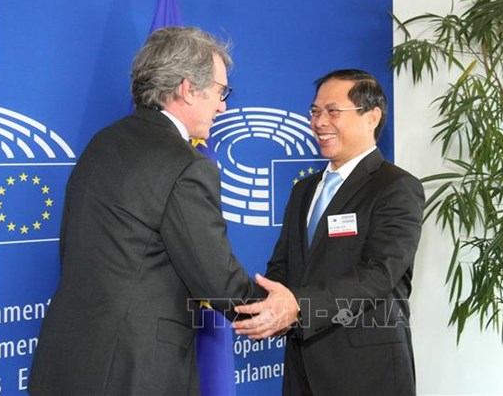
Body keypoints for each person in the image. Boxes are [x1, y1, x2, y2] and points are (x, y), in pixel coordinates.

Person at [28, 26, 263, 395]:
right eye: (221, 92)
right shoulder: (186, 164)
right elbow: (216, 281)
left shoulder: (102, 143)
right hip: (135, 371)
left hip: (67, 361)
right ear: (187, 88)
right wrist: (287, 311)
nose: (223, 106)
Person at [233, 69, 425, 395]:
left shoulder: (396, 187)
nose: (319, 122)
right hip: (301, 369)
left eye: (333, 111)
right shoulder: (303, 190)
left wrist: (299, 305)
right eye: (315, 111)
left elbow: (380, 274)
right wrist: (265, 307)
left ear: (372, 117)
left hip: (367, 373)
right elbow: (283, 267)